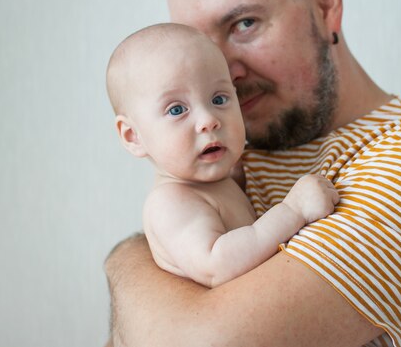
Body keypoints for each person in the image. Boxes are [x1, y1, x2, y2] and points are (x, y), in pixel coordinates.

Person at [104, 0, 401, 346]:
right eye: (201, 45)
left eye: (244, 24)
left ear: (325, 3)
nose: (223, 72)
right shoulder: (228, 158)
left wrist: (127, 261)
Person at [105, 23, 338, 288]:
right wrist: (292, 210)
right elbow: (217, 265)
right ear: (133, 136)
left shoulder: (218, 182)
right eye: (177, 109)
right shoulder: (170, 202)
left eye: (218, 99)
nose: (208, 120)